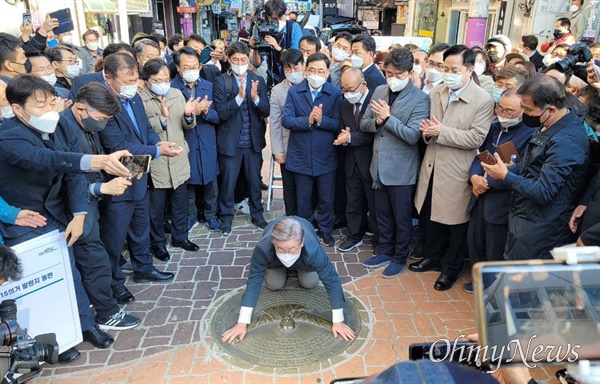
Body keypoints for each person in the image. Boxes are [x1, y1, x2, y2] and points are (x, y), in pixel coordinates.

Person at [0, 75, 132, 363]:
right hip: (26, 219)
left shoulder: (60, 124)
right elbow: (48, 160)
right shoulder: (7, 135)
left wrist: (79, 213)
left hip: (60, 212)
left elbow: (73, 174)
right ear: (18, 109)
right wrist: (96, 161)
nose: (49, 109)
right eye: (39, 105)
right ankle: (45, 341)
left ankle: (83, 326)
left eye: (51, 101)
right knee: (33, 283)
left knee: (67, 274)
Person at [98, 53, 181, 304]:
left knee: (139, 227)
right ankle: (114, 284)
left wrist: (158, 142)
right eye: (128, 79)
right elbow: (118, 144)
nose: (133, 84)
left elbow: (145, 129)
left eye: (136, 78)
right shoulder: (103, 103)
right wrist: (157, 151)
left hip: (138, 173)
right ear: (109, 77)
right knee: (114, 237)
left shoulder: (132, 98)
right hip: (118, 178)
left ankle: (144, 268)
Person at [412, 45, 495, 291]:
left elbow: (477, 138)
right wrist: (428, 132)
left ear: (469, 70)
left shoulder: (482, 100)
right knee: (430, 215)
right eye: (444, 68)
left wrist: (441, 131)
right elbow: (430, 127)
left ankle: (451, 269)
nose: (447, 73)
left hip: (458, 169)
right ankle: (432, 257)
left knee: (456, 223)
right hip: (432, 163)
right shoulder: (438, 91)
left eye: (453, 69)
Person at [60, 82, 141, 332]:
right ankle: (106, 313)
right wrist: (100, 189)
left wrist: (122, 168)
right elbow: (62, 180)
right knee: (93, 261)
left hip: (92, 206)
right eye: (101, 118)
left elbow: (95, 161)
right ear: (81, 108)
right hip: (76, 212)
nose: (103, 124)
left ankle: (104, 304)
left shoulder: (87, 125)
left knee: (98, 259)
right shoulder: (63, 131)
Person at [482, 75, 590, 260]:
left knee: (525, 280)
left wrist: (506, 175)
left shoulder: (567, 141)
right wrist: (507, 170)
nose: (524, 113)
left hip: (542, 228)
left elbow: (544, 191)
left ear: (551, 109)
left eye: (528, 109)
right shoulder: (550, 124)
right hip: (526, 217)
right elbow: (530, 167)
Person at [220, 216, 356, 343]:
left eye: (291, 249)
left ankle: (297, 266)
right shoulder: (263, 249)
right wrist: (242, 323)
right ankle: (281, 265)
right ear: (273, 244)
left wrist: (338, 321)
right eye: (280, 248)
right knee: (274, 284)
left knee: (309, 283)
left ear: (301, 243)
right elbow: (254, 281)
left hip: (304, 260)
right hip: (274, 262)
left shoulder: (314, 251)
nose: (285, 254)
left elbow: (331, 280)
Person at [359, 49, 429, 277]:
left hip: (401, 169)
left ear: (409, 73)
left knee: (401, 218)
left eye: (398, 74)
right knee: (382, 215)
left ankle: (400, 257)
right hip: (378, 165)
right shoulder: (379, 89)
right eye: (389, 73)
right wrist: (378, 122)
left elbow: (412, 136)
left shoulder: (420, 99)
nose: (392, 79)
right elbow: (364, 124)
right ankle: (385, 251)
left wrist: (388, 118)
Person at [463, 89, 534, 293]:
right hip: (479, 195)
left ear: (523, 110)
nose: (504, 113)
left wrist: (490, 183)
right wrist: (474, 177)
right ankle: (479, 283)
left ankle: (493, 290)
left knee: (495, 248)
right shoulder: (494, 127)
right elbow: (480, 155)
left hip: (501, 200)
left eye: (510, 110)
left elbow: (518, 170)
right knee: (475, 241)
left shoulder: (529, 134)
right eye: (500, 108)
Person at [140, 59, 201, 262]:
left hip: (179, 157)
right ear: (147, 80)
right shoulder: (140, 99)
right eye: (158, 79)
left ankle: (180, 237)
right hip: (156, 161)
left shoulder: (176, 94)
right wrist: (162, 120)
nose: (163, 83)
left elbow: (187, 126)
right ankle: (157, 244)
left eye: (166, 78)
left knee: (180, 203)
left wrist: (189, 115)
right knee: (156, 209)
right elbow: (143, 132)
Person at [281, 52, 341, 247]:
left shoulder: (334, 92)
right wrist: (308, 120)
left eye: (321, 71)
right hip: (301, 154)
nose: (316, 74)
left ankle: (325, 228)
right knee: (303, 198)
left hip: (325, 155)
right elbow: (286, 119)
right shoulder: (295, 91)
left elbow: (339, 123)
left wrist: (322, 120)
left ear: (328, 72)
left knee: (326, 197)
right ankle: (305, 229)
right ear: (306, 70)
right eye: (312, 70)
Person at [212, 42, 270, 235]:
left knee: (254, 181)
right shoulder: (221, 82)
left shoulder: (257, 80)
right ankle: (226, 217)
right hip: (230, 143)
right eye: (235, 60)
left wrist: (255, 99)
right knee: (228, 182)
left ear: (248, 59)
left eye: (243, 60)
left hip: (252, 141)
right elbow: (221, 112)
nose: (239, 63)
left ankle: (257, 214)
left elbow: (266, 110)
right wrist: (238, 98)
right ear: (228, 59)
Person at [170, 47, 222, 233]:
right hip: (185, 141)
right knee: (188, 181)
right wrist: (191, 113)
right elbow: (171, 119)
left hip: (207, 140)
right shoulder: (172, 89)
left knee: (210, 181)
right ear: (178, 67)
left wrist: (206, 111)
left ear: (200, 66)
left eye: (194, 66)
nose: (191, 70)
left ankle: (211, 215)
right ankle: (191, 216)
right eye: (186, 67)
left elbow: (218, 117)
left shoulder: (208, 86)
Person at [333, 67, 376, 253]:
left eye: (351, 89)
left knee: (375, 205)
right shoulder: (344, 104)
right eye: (343, 89)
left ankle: (379, 240)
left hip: (372, 162)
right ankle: (354, 235)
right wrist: (344, 138)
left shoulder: (376, 101)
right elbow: (342, 129)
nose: (347, 93)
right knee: (353, 202)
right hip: (351, 161)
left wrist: (351, 138)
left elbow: (376, 134)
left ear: (363, 84)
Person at [270, 49, 305, 217]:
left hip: (308, 146)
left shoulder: (313, 84)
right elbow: (275, 123)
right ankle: (291, 217)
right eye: (288, 69)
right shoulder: (278, 91)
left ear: (303, 66)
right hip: (287, 146)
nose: (292, 73)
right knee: (290, 187)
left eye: (296, 68)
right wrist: (277, 150)